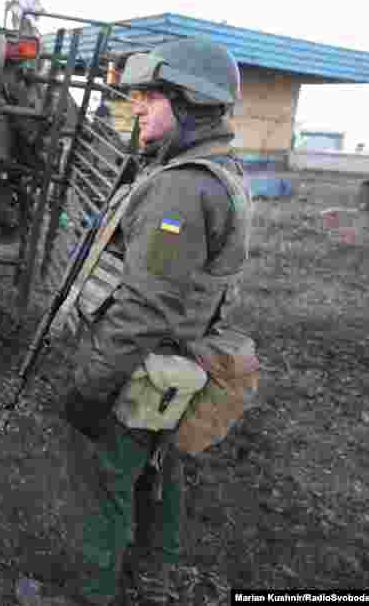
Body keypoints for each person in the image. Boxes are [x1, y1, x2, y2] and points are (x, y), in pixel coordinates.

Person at [16, 37, 253, 605]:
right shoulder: (217, 170)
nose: (136, 107)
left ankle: (89, 594)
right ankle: (153, 576)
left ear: (191, 102)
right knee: (156, 471)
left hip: (139, 368)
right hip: (177, 361)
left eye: (150, 97)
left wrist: (90, 387)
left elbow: (145, 308)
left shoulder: (179, 186)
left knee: (104, 482)